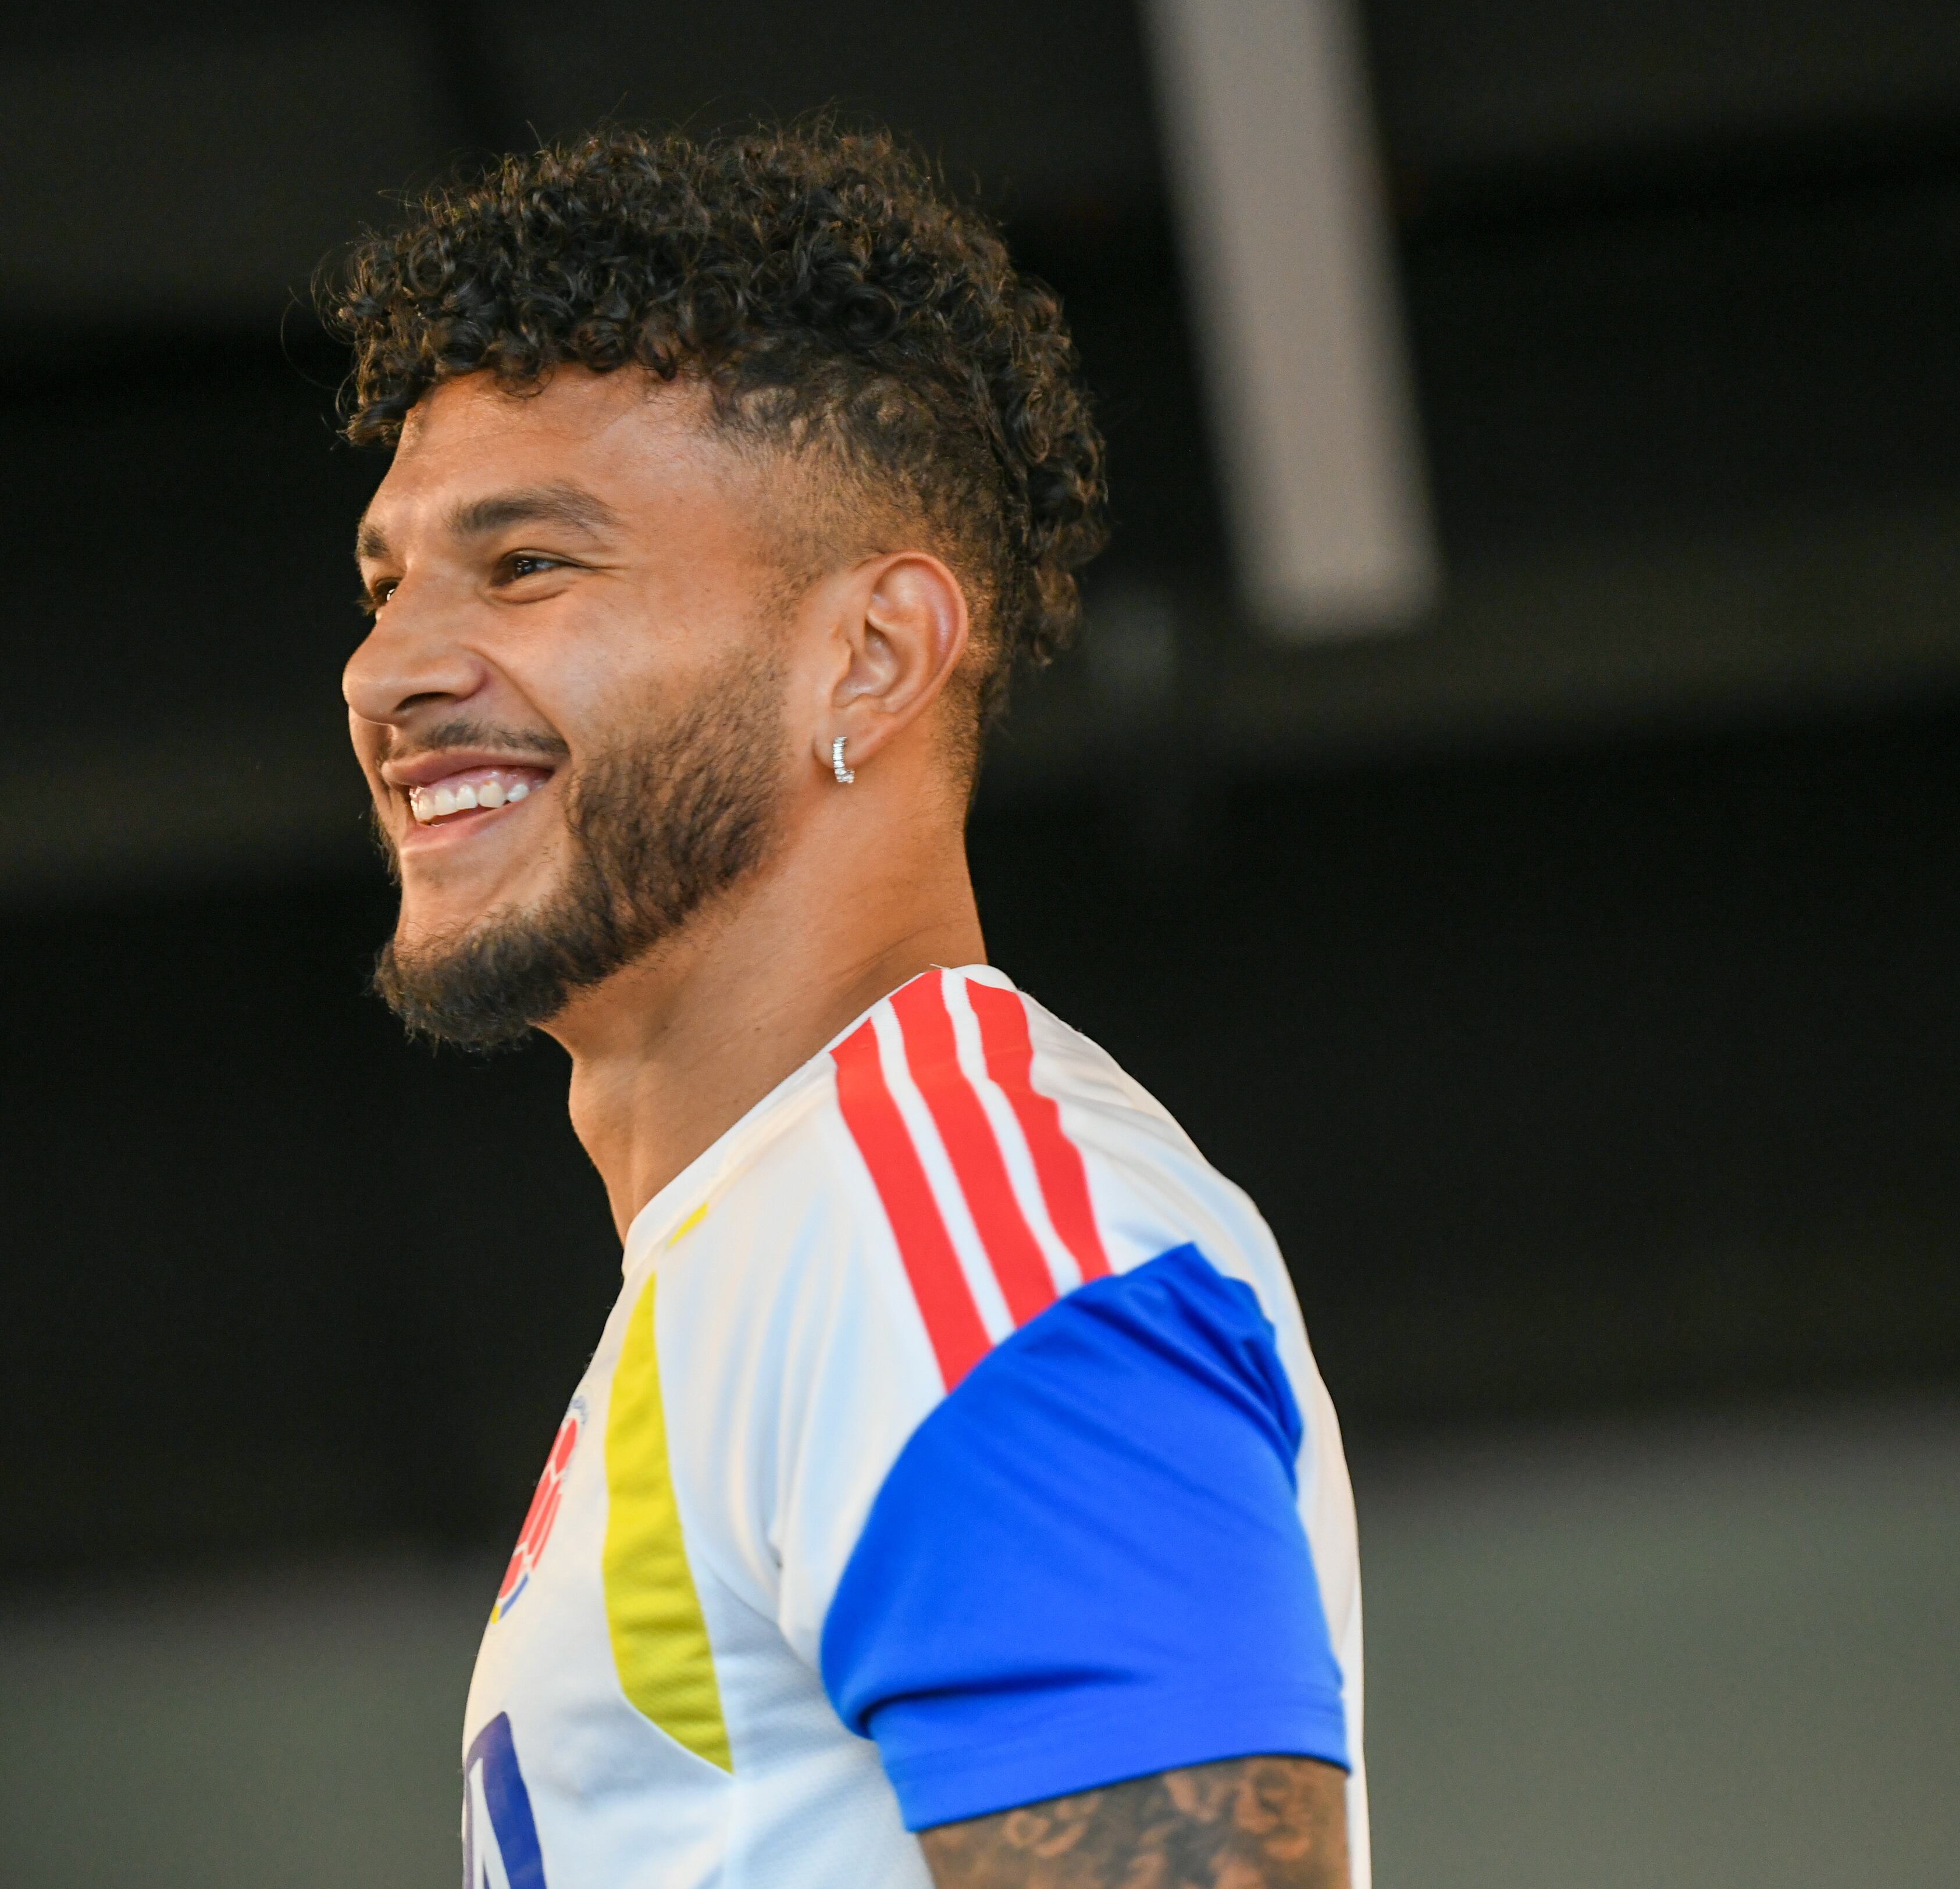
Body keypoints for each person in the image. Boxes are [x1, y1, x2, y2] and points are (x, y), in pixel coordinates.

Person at [326, 122, 1363, 1889]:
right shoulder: (780, 1244)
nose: (391, 670)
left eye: (529, 567)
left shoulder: (941, 1237)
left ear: (871, 659)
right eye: (386, 581)